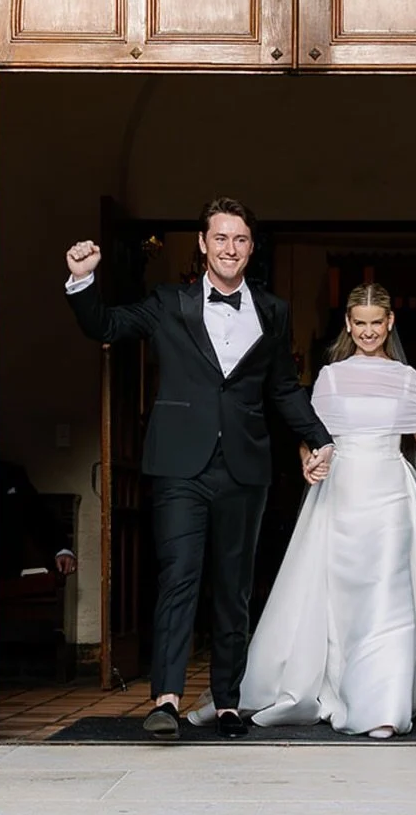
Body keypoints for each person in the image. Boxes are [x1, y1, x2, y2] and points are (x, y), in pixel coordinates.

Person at [64, 197, 334, 740]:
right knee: (179, 577)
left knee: (233, 588)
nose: (230, 248)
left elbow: (283, 387)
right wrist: (81, 281)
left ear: (250, 248)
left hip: (246, 467)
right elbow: (107, 324)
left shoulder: (274, 312)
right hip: (179, 466)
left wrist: (318, 438)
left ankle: (228, 702)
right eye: (221, 238)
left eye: (240, 239)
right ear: (203, 244)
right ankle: (165, 700)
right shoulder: (168, 302)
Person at [210, 282, 416, 737]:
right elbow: (309, 436)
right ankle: (342, 690)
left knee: (388, 595)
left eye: (376, 323)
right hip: (340, 493)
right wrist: (308, 463)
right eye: (359, 323)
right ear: (348, 324)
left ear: (390, 322)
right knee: (341, 599)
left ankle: (382, 707)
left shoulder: (407, 377)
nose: (368, 331)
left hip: (391, 492)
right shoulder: (330, 376)